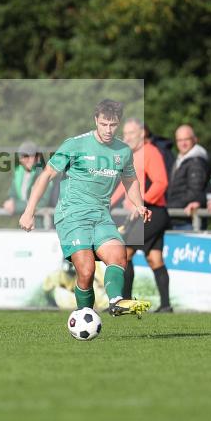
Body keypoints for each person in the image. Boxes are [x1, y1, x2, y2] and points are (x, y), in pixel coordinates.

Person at [19, 99, 152, 318]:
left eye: (113, 125)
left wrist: (139, 204)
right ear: (96, 121)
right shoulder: (75, 145)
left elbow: (130, 180)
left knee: (119, 255)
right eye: (104, 124)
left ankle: (116, 301)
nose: (108, 130)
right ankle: (85, 314)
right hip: (72, 216)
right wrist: (29, 211)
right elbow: (46, 175)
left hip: (101, 216)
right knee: (87, 271)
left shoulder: (123, 151)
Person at [112, 119, 173, 313]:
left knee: (124, 253)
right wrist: (108, 202)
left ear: (142, 133)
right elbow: (125, 185)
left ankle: (125, 304)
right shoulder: (132, 156)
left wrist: (140, 204)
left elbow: (161, 183)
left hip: (152, 212)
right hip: (146, 213)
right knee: (155, 258)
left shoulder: (151, 152)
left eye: (131, 133)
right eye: (125, 133)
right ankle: (166, 306)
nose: (126, 137)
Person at [167, 124, 209, 230]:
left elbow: (195, 192)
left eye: (186, 139)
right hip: (178, 218)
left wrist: (169, 207)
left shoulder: (196, 162)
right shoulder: (181, 160)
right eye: (179, 140)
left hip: (187, 219)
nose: (183, 143)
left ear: (194, 139)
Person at [2, 141, 54, 227]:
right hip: (23, 223)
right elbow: (12, 194)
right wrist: (11, 202)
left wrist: (17, 206)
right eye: (24, 156)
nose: (28, 159)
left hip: (41, 225)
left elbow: (43, 202)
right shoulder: (18, 172)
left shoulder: (45, 174)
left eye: (32, 156)